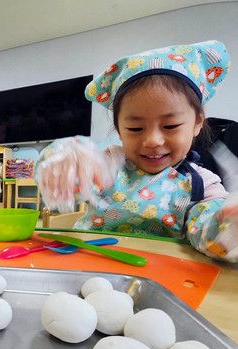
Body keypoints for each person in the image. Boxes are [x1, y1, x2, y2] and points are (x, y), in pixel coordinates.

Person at [36, 40, 237, 262]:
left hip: (162, 279)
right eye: (135, 128)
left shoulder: (202, 184)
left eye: (170, 126)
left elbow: (209, 232)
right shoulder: (107, 162)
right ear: (119, 129)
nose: (152, 140)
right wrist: (63, 159)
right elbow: (59, 168)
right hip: (89, 265)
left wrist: (226, 225)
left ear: (198, 122)